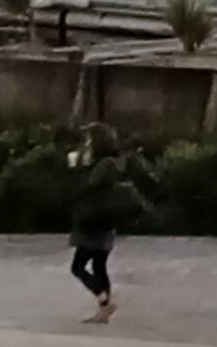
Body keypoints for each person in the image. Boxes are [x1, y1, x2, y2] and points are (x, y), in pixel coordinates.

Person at [63, 125, 149, 324]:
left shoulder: (104, 164)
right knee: (99, 265)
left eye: (88, 140)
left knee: (78, 267)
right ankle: (104, 310)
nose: (86, 144)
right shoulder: (112, 162)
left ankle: (104, 303)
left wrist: (77, 168)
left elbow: (90, 186)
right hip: (104, 221)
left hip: (94, 221)